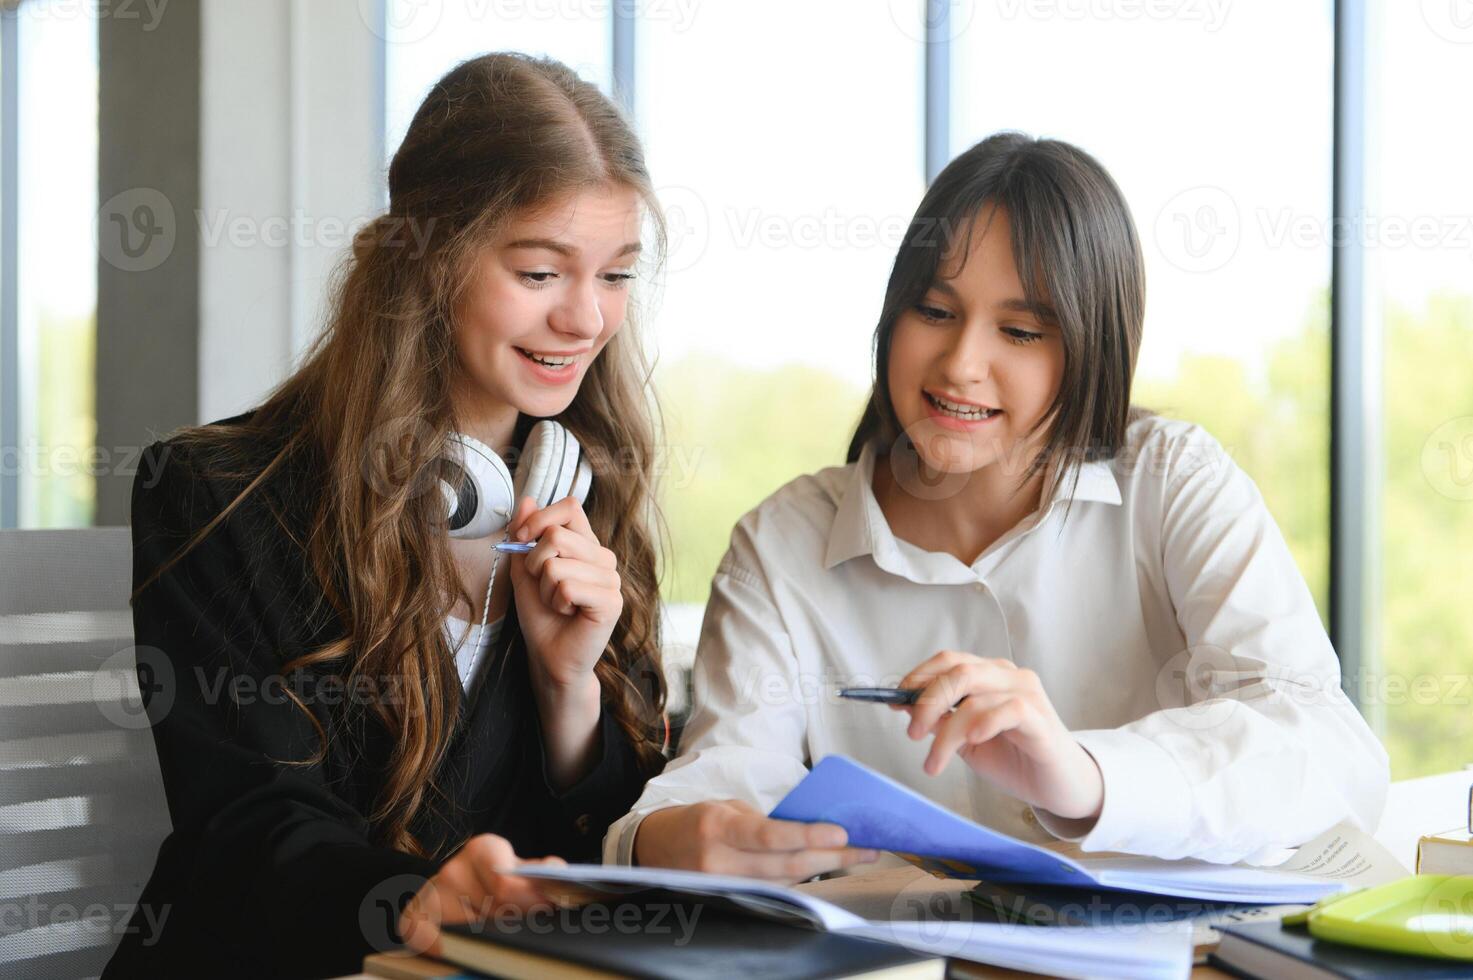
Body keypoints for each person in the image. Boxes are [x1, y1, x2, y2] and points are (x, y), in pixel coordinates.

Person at [610, 132, 1388, 882]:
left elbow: (1327, 751)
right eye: (935, 312)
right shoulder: (781, 546)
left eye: (1019, 330)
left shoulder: (1172, 481)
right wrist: (660, 842)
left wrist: (1083, 775)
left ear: (1091, 351)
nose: (960, 364)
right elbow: (727, 772)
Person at [104, 52, 668, 979]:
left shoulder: (587, 486)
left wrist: (571, 692)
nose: (585, 318)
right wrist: (414, 904)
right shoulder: (217, 493)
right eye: (538, 272)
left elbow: (613, 836)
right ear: (425, 261)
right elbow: (251, 825)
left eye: (615, 276)